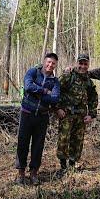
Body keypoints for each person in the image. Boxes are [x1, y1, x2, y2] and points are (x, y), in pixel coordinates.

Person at [15, 53, 60, 186]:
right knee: (22, 143)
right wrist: (45, 91)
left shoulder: (55, 81)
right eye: (48, 62)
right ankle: (21, 173)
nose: (50, 65)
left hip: (42, 116)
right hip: (27, 114)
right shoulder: (33, 72)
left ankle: (34, 172)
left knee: (38, 145)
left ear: (55, 65)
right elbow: (28, 86)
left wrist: (36, 93)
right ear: (44, 61)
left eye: (53, 63)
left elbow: (55, 99)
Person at [56, 53, 98, 174]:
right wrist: (58, 108)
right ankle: (63, 167)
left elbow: (93, 98)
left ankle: (72, 165)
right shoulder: (68, 75)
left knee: (77, 141)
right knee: (64, 139)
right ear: (76, 63)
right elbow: (56, 90)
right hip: (66, 114)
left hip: (81, 116)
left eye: (85, 64)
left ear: (88, 65)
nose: (83, 66)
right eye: (81, 63)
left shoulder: (88, 81)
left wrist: (91, 114)